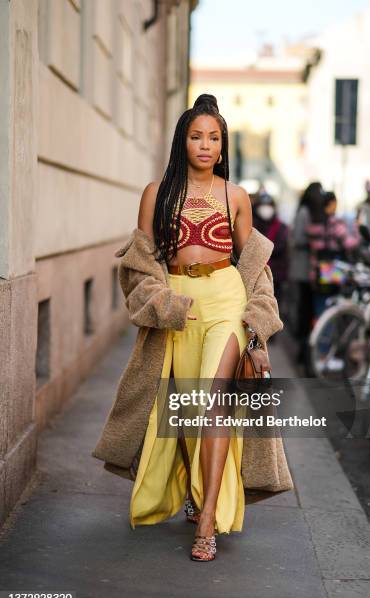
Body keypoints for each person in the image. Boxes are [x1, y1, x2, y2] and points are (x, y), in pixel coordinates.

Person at [91, 93, 294, 562]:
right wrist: (165, 305)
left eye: (214, 138)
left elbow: (256, 266)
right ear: (182, 141)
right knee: (182, 414)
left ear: (223, 147)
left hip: (227, 301)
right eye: (197, 135)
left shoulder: (236, 196)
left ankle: (207, 522)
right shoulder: (156, 193)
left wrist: (257, 328)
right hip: (181, 307)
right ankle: (190, 490)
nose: (205, 145)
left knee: (212, 405)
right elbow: (141, 266)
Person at [307, 191, 360, 320]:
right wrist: (357, 229)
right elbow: (350, 243)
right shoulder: (334, 223)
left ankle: (318, 335)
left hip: (316, 270)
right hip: (332, 271)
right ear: (331, 203)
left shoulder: (313, 222)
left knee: (319, 306)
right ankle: (327, 338)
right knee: (332, 307)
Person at [288, 182, 325, 363]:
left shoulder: (310, 212)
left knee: (309, 309)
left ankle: (306, 348)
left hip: (309, 270)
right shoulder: (305, 212)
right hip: (303, 269)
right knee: (305, 309)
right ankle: (302, 349)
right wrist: (314, 239)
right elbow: (297, 238)